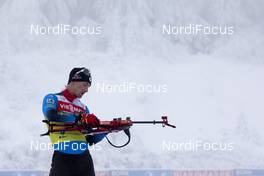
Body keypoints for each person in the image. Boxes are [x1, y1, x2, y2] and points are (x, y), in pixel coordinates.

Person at [42, 67, 106, 176]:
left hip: (84, 159)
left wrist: (106, 130)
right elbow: (51, 115)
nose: (87, 90)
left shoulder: (83, 108)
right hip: (63, 158)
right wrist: (80, 118)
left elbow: (89, 139)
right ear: (74, 81)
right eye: (85, 85)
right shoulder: (53, 98)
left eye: (88, 86)